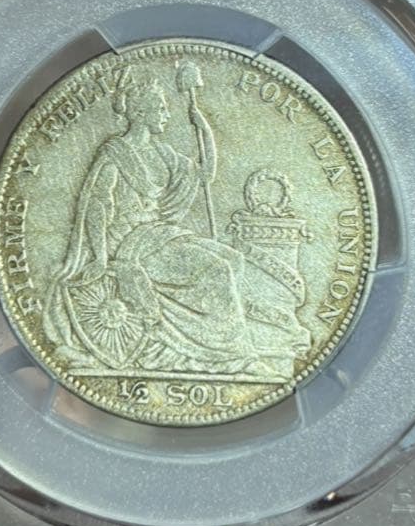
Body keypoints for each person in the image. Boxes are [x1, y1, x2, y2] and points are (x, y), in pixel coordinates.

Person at [43, 78, 280, 376]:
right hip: (128, 242)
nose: (167, 115)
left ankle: (207, 341)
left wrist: (204, 129)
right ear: (140, 113)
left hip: (157, 234)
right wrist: (101, 258)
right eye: (161, 108)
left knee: (233, 259)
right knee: (218, 269)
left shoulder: (162, 152)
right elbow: (97, 206)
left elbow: (204, 175)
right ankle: (235, 357)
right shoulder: (115, 154)